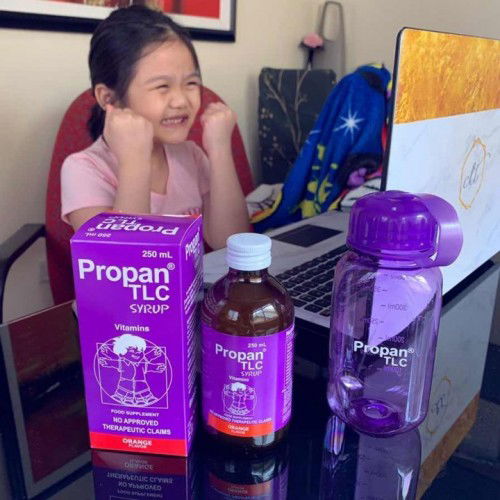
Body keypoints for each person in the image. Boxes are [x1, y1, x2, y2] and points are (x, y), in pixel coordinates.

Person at [61, 5, 249, 249]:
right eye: (162, 86)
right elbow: (124, 264)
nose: (181, 101)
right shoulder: (84, 169)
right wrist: (134, 161)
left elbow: (232, 245)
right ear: (108, 98)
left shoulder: (191, 156)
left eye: (191, 83)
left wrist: (220, 149)